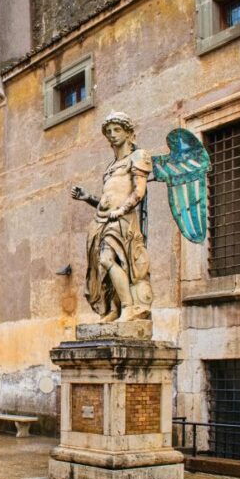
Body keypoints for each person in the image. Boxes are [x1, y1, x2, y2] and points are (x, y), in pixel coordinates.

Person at [70, 112, 153, 322]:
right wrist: (88, 198)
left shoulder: (138, 156)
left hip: (122, 220)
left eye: (117, 130)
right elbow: (107, 200)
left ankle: (129, 307)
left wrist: (122, 210)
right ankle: (114, 310)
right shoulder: (111, 167)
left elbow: (139, 192)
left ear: (128, 133)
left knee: (108, 260)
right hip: (103, 220)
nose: (112, 134)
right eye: (108, 131)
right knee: (103, 267)